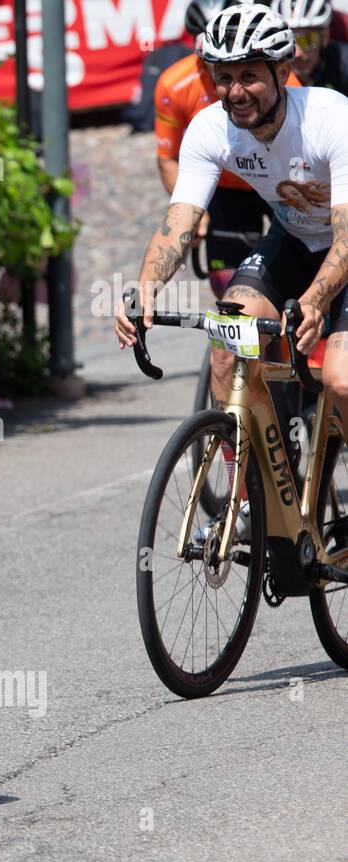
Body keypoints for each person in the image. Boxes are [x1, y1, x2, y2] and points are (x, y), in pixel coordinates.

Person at [115, 4, 348, 535]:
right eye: (224, 77)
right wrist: (146, 289)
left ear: (282, 71)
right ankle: (248, 501)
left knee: (339, 379)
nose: (235, 92)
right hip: (293, 239)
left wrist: (314, 300)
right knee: (228, 344)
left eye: (248, 76)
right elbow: (179, 223)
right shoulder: (211, 129)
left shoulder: (331, 118)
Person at [154, 0, 301, 298]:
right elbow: (168, 159)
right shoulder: (173, 85)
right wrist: (199, 217)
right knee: (230, 301)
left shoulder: (285, 84)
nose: (233, 87)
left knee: (295, 288)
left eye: (245, 73)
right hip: (226, 190)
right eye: (217, 66)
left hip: (279, 181)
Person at [277, 0, 348, 91]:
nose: (297, 53)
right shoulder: (270, 71)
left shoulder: (344, 64)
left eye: (308, 40)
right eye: (288, 41)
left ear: (325, 37)